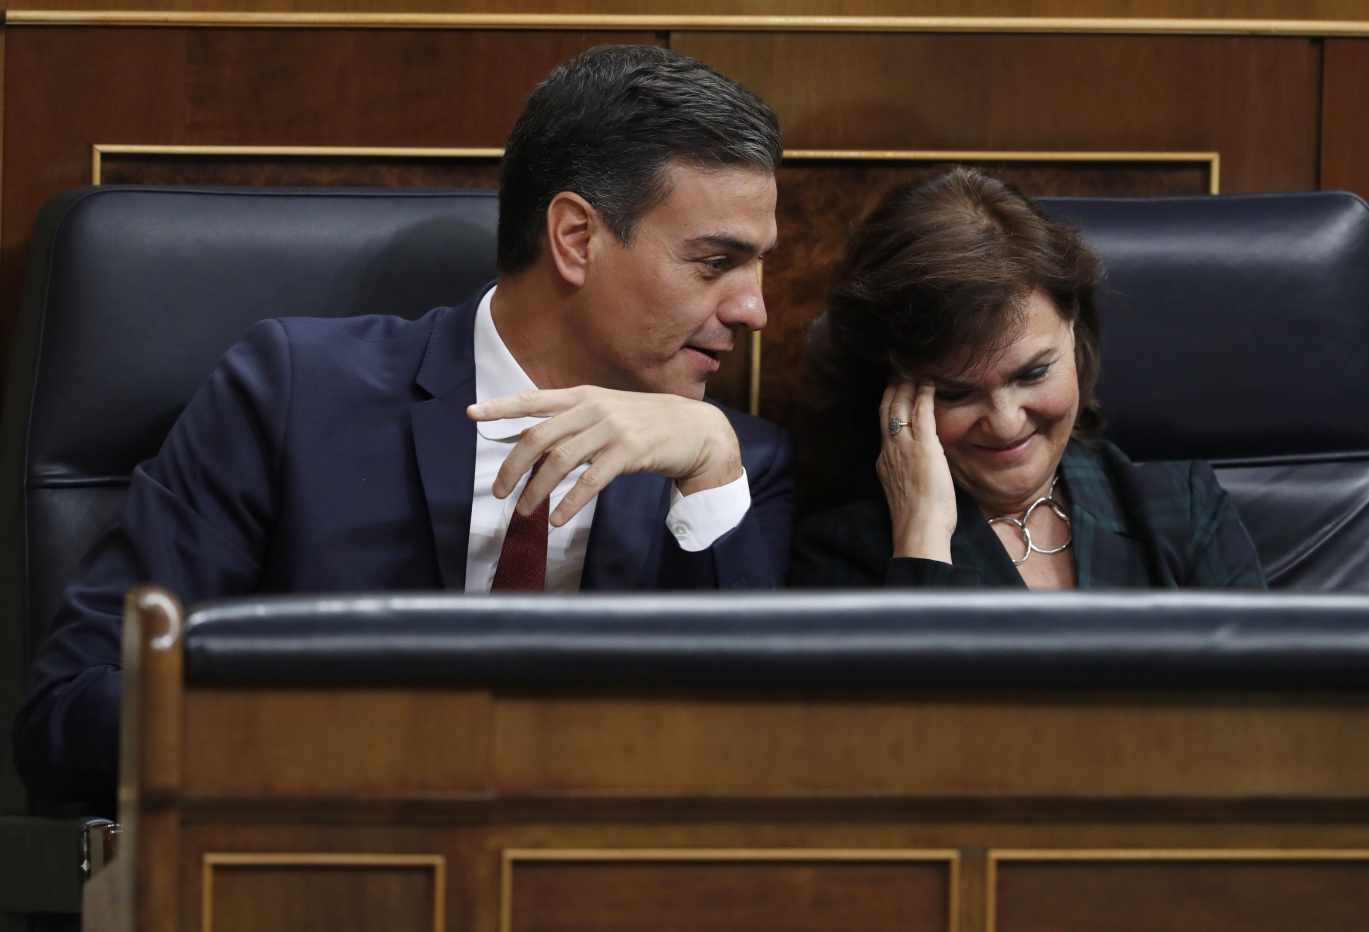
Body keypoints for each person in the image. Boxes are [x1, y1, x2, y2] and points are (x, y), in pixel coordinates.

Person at [16, 45, 793, 816]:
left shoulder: (733, 465)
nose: (752, 311)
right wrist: (368, 738)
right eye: (715, 262)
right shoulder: (293, 395)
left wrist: (712, 476)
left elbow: (767, 774)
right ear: (577, 239)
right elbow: (72, 715)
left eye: (758, 268)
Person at [790, 167, 1263, 590]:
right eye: (956, 393)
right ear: (893, 393)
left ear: (1074, 335)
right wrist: (923, 537)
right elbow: (913, 691)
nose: (1005, 422)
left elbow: (1265, 687)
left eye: (1033, 373)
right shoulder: (844, 547)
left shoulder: (1181, 507)